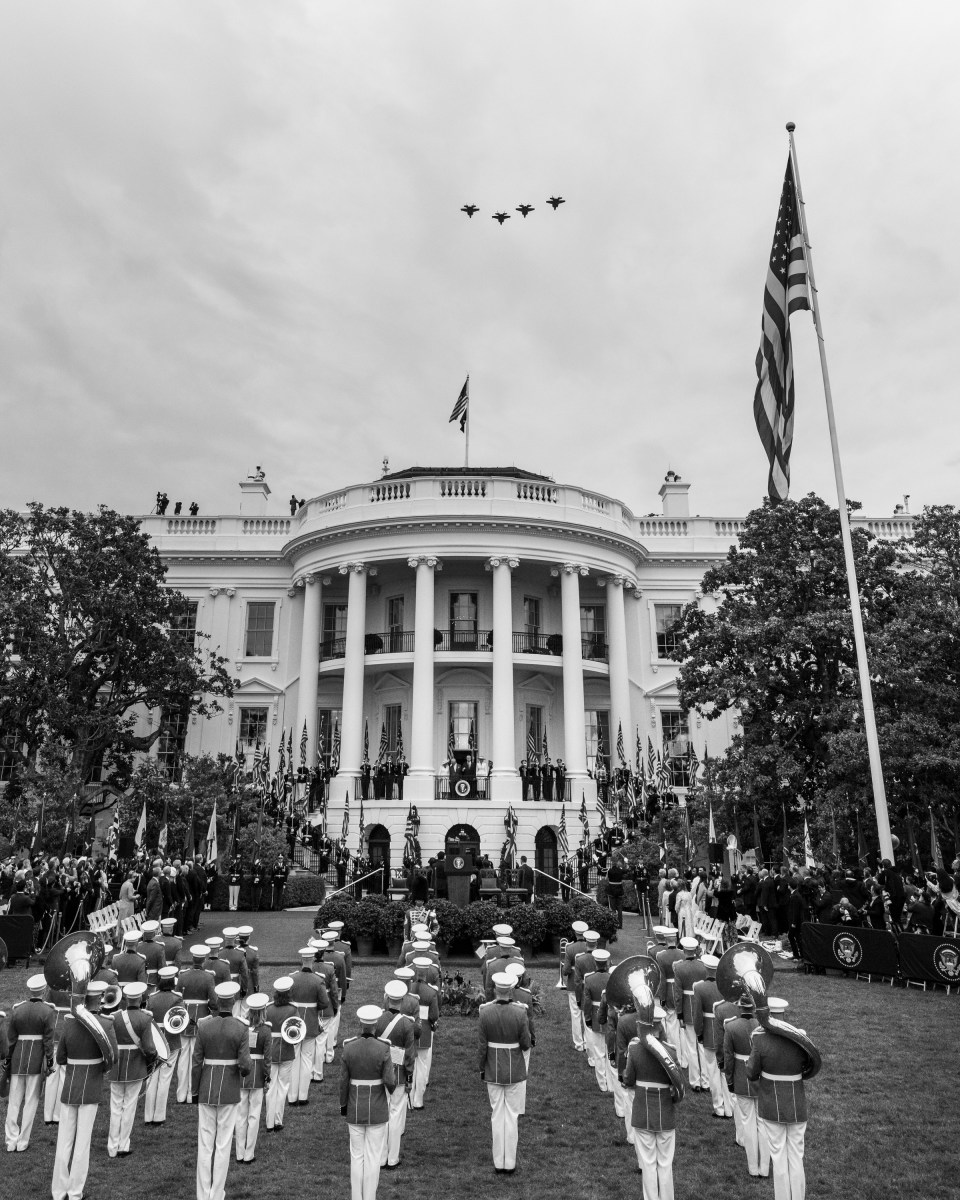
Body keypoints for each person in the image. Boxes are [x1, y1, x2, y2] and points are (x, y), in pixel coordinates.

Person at [52, 980, 118, 1200]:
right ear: (99, 999)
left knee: (64, 1140)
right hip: (91, 1085)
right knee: (82, 1143)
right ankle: (75, 1191)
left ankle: (59, 1190)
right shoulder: (106, 1024)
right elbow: (113, 1058)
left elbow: (60, 1057)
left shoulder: (70, 1023)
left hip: (71, 1085)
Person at [622, 982, 684, 1200]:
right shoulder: (671, 1051)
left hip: (642, 1112)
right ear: (661, 1026)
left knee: (648, 1163)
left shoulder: (634, 1049)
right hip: (665, 1111)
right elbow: (678, 1087)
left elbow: (628, 1080)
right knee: (665, 1163)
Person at [192, 980, 252, 1200]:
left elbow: (196, 1062)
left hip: (206, 1088)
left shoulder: (204, 1026)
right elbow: (245, 1065)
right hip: (228, 1090)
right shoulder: (241, 1028)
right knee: (223, 1144)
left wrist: (194, 1092)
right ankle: (216, 1194)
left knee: (205, 1145)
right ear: (234, 1001)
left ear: (217, 1001)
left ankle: (203, 1193)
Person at [745, 998, 811, 1199]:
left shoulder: (760, 1040)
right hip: (796, 1105)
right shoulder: (800, 1038)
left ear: (769, 1016)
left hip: (771, 1105)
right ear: (784, 1015)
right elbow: (808, 1066)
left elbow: (751, 1073)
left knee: (779, 1158)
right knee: (796, 1158)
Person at [340, 1005, 395, 1200]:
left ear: (361, 1024)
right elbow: (390, 1081)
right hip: (377, 1108)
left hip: (354, 1107)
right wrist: (392, 1090)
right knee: (373, 1158)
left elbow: (343, 1082)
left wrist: (343, 1106)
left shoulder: (349, 1047)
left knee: (357, 1157)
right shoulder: (383, 1048)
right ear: (375, 1026)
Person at [478, 971, 531, 1174]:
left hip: (492, 1069)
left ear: (495, 990)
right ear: (511, 990)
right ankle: (509, 1163)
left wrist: (482, 1067)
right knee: (511, 1115)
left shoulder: (485, 1012)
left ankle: (499, 1162)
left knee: (497, 1114)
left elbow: (482, 1046)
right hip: (514, 1070)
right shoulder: (520, 1012)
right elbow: (526, 1043)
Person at [4, 973, 55, 1152]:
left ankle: (10, 1141)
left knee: (14, 1101)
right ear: (44, 990)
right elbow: (49, 1041)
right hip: (35, 1058)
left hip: (18, 1057)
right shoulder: (48, 1011)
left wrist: (8, 1060)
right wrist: (50, 1061)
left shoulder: (17, 1009)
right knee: (31, 1101)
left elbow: (11, 1039)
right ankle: (22, 1141)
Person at [721, 991, 770, 1179]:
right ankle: (764, 1168)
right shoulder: (762, 1025)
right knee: (763, 1125)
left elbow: (728, 1058)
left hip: (742, 1079)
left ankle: (753, 1168)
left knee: (747, 1124)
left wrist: (730, 1082)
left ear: (740, 1007)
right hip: (761, 1079)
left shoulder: (731, 1027)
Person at [108, 981, 159, 1157]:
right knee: (129, 1106)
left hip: (117, 1066)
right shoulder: (145, 1019)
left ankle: (112, 1146)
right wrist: (152, 1061)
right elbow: (150, 1049)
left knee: (115, 1107)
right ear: (141, 998)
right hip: (135, 1066)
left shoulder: (114, 1016)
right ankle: (123, 1145)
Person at [375, 980, 416, 1170]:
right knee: (396, 1115)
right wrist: (409, 1078)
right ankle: (392, 1158)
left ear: (387, 999)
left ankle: (381, 1157)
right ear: (402, 1001)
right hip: (398, 1075)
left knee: (382, 1115)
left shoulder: (377, 1019)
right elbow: (409, 1055)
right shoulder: (407, 1024)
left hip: (380, 1074)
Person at [235, 992, 271, 1164]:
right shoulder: (266, 1030)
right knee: (254, 1116)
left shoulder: (241, 1027)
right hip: (256, 1075)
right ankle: (249, 1154)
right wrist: (267, 1077)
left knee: (240, 1115)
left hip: (242, 1074)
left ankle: (239, 1153)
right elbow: (267, 1058)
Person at [144, 965, 183, 1125]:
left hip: (154, 1040)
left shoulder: (152, 997)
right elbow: (181, 1020)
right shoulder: (177, 998)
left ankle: (148, 1116)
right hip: (171, 1041)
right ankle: (159, 1116)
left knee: (152, 1078)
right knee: (164, 1079)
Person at [673, 937, 708, 1091]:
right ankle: (706, 1081)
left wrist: (679, 1014)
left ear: (684, 950)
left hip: (688, 1008)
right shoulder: (703, 966)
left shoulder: (679, 968)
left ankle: (695, 1081)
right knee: (702, 1046)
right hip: (702, 1010)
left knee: (691, 1047)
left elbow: (678, 994)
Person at [263, 976, 297, 1132]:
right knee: (282, 1087)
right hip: (286, 1051)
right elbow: (297, 1032)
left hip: (270, 1051)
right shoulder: (293, 1009)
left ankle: (270, 1122)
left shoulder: (268, 1008)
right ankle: (278, 1121)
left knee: (270, 1088)